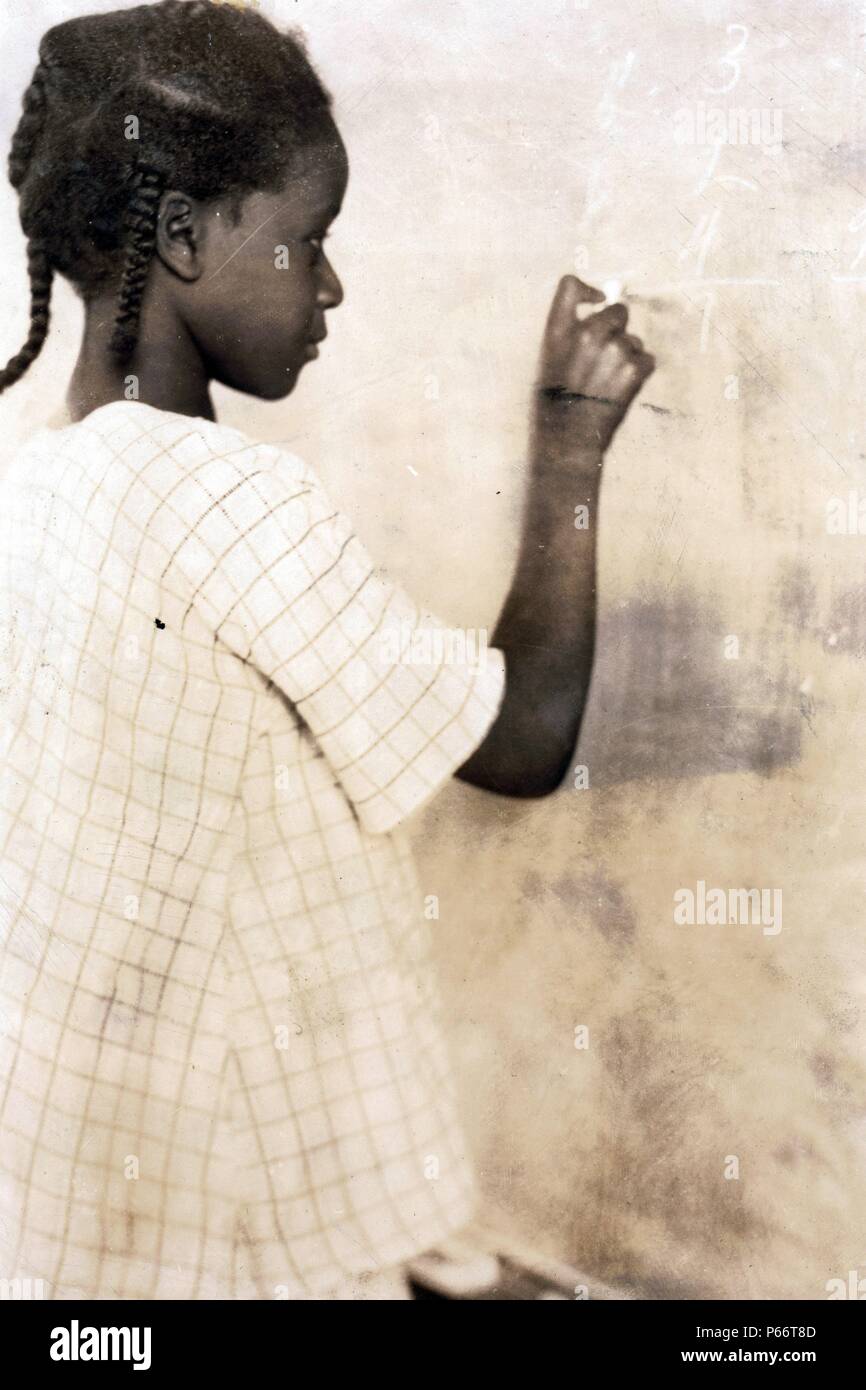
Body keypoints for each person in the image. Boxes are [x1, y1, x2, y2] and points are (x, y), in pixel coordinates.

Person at [0, 0, 654, 1300]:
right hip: (230, 1208)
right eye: (309, 240)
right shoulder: (231, 500)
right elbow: (522, 743)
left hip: (70, 1181)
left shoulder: (33, 479)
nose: (332, 284)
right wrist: (571, 445)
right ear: (183, 237)